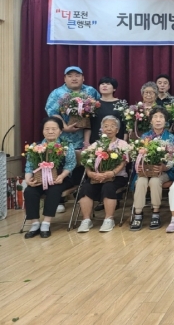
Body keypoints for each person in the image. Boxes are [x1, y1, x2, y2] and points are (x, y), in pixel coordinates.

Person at [45, 66, 99, 212]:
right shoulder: (57, 93)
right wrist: (64, 126)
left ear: (83, 77)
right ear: (64, 78)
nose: (74, 78)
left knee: (83, 167)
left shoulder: (91, 91)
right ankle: (59, 200)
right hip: (62, 139)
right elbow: (52, 112)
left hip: (85, 138)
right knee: (59, 165)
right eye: (70, 75)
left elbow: (96, 112)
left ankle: (83, 197)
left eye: (77, 75)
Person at [23, 117, 77, 238]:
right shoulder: (35, 147)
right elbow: (29, 166)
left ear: (60, 131)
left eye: (54, 129)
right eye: (47, 129)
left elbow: (70, 164)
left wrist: (62, 176)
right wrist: (28, 180)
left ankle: (46, 224)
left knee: (54, 190)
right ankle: (35, 224)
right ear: (43, 131)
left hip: (61, 178)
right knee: (29, 191)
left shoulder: (66, 146)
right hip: (40, 178)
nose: (50, 131)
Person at [77, 116, 130, 233]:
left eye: (112, 126)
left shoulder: (122, 144)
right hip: (96, 177)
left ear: (117, 130)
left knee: (108, 187)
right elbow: (87, 161)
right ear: (101, 129)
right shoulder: (96, 145)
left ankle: (108, 219)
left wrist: (112, 173)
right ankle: (86, 220)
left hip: (117, 177)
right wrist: (90, 173)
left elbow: (123, 162)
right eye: (106, 126)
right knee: (85, 188)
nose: (109, 129)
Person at [130, 106, 174, 231]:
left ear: (165, 121)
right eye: (155, 117)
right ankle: (138, 214)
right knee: (140, 181)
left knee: (155, 181)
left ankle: (155, 213)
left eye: (161, 117)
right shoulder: (144, 137)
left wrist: (164, 167)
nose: (158, 120)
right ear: (151, 120)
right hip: (146, 171)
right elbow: (139, 155)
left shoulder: (171, 137)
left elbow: (173, 159)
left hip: (164, 171)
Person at [85, 76, 126, 145]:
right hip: (96, 142)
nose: (104, 86)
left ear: (114, 89)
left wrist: (124, 143)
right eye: (102, 84)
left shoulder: (121, 105)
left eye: (108, 84)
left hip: (116, 143)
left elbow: (125, 127)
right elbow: (88, 125)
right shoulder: (93, 104)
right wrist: (86, 142)